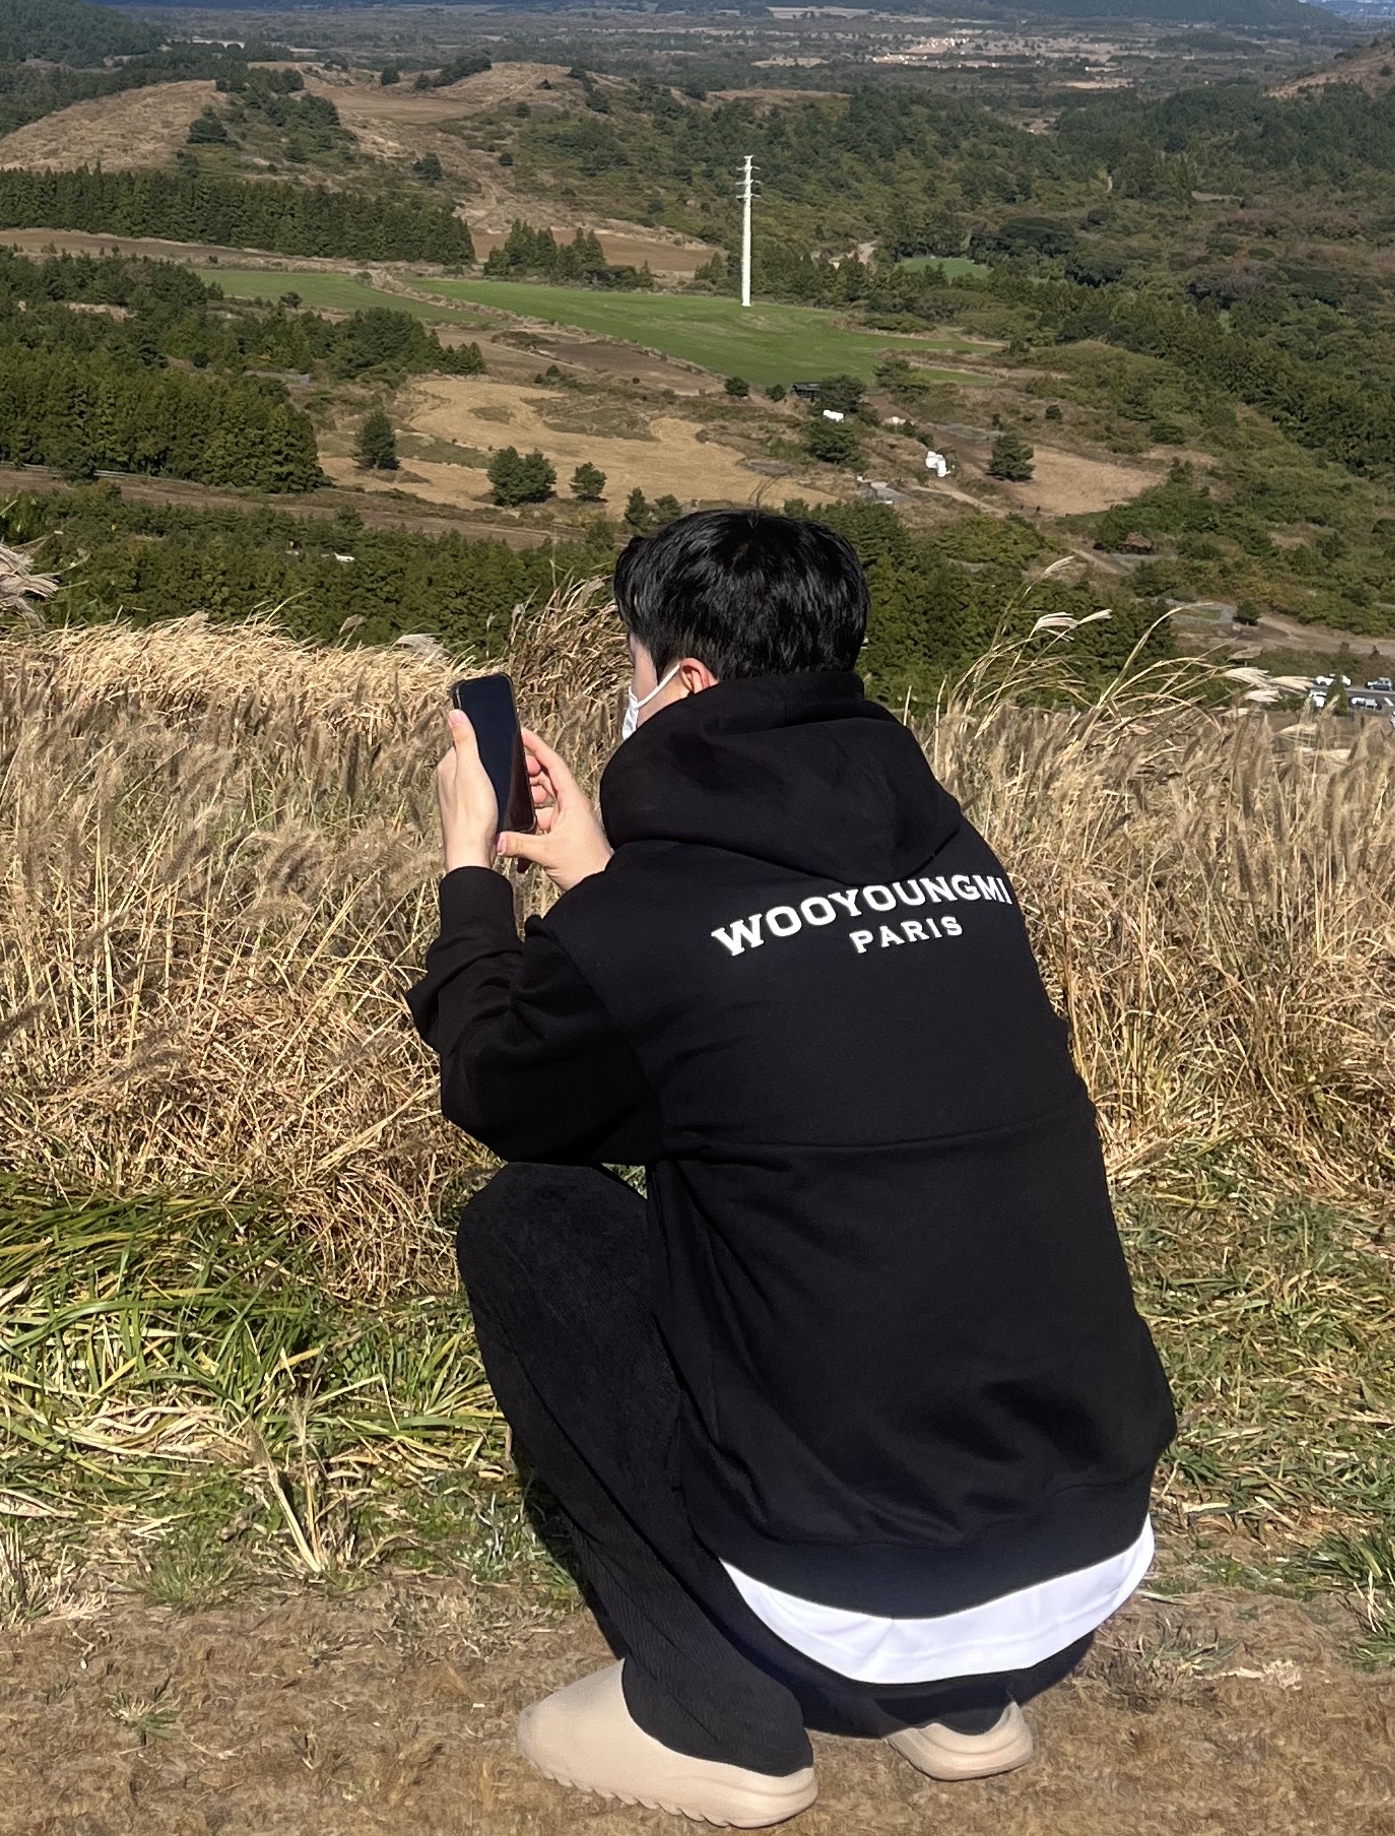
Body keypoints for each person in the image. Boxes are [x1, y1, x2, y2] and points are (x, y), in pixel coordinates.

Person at [409, 508, 1174, 1827]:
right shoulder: (953, 859)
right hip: (1079, 1557)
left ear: (688, 683)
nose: (629, 694)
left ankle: (712, 1717)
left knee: (531, 1223)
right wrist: (601, 874)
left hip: (847, 1588)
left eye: (635, 668)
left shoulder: (659, 926)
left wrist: (469, 880)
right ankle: (960, 1706)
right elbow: (777, 1046)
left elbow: (502, 1088)